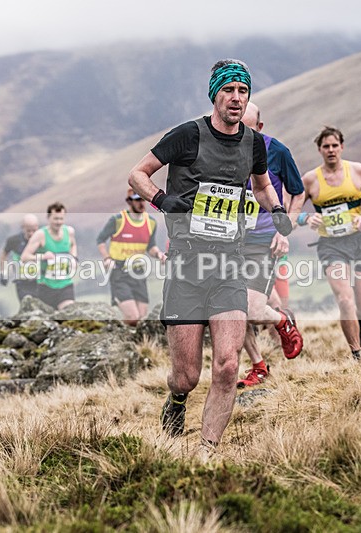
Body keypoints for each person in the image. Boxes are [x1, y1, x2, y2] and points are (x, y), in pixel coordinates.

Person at [129, 59, 294, 452]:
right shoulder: (188, 135)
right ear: (215, 94)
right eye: (229, 90)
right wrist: (162, 199)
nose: (237, 98)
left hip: (229, 264)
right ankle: (178, 399)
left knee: (228, 365)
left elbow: (260, 186)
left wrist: (278, 211)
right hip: (186, 265)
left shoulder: (253, 143)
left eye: (243, 91)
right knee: (186, 375)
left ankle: (206, 452)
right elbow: (137, 174)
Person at [297, 126, 361, 360]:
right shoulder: (310, 179)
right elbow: (290, 212)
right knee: (345, 299)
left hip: (358, 241)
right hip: (330, 245)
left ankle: (358, 321)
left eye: (334, 145)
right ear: (319, 150)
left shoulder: (357, 171)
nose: (331, 150)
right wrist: (306, 217)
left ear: (342, 147)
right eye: (326, 146)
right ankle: (356, 353)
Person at [237, 102, 306, 388]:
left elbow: (298, 193)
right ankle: (258, 365)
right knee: (228, 307)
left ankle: (282, 323)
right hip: (229, 241)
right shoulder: (222, 150)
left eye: (248, 129)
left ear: (260, 128)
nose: (241, 135)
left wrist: (284, 230)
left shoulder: (277, 151)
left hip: (263, 240)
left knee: (252, 309)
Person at [96, 187, 165, 326]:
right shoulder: (117, 220)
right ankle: (117, 336)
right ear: (129, 202)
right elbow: (100, 240)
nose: (141, 203)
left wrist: (159, 254)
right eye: (137, 200)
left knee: (142, 317)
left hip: (139, 272)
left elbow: (150, 246)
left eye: (143, 200)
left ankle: (134, 344)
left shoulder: (151, 222)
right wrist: (107, 258)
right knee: (133, 317)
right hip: (119, 272)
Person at [21, 202, 77, 310]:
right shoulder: (40, 235)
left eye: (61, 219)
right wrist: (43, 257)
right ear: (48, 218)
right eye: (55, 219)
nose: (59, 222)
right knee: (50, 320)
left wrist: (74, 258)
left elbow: (73, 245)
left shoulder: (69, 232)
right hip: (46, 285)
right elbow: (25, 257)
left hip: (65, 283)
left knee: (67, 313)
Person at [0, 214, 40, 307]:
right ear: (22, 228)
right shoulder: (13, 241)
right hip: (22, 282)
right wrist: (3, 273)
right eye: (28, 230)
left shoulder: (43, 239)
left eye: (34, 230)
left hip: (40, 282)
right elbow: (4, 254)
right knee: (27, 306)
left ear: (37, 227)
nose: (31, 234)